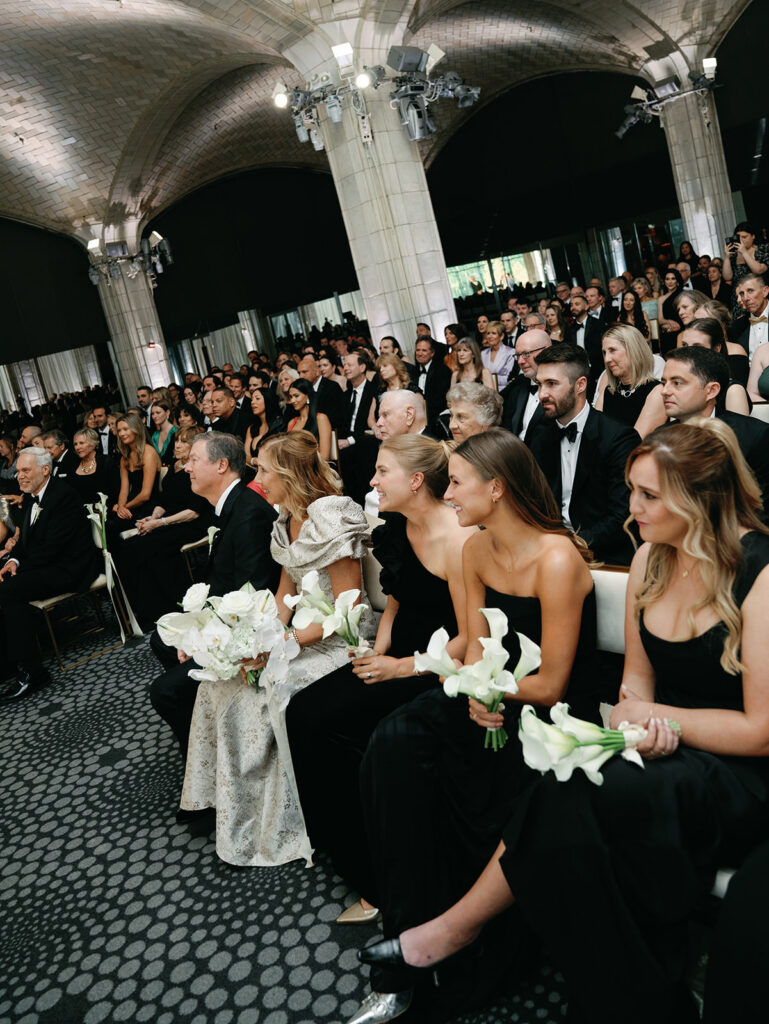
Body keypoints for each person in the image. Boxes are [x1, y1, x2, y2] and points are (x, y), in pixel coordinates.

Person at [361, 420, 769, 1024]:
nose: (631, 509)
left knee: (570, 795)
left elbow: (759, 730)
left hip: (738, 775)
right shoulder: (653, 562)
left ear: (700, 495)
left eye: (649, 495)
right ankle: (622, 994)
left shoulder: (759, 576)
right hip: (658, 749)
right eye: (632, 491)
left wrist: (653, 720)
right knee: (566, 804)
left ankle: (456, 931)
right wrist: (638, 724)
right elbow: (637, 684)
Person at [351, 428, 598, 1022]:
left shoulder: (557, 557)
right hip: (494, 693)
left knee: (477, 771)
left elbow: (556, 683)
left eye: (457, 482)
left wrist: (489, 692)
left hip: (551, 711)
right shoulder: (476, 550)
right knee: (395, 741)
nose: (449, 491)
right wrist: (472, 690)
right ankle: (409, 922)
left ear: (497, 487)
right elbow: (477, 651)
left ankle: (470, 939)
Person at [287, 435, 474, 925]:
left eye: (382, 471)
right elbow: (396, 597)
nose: (371, 481)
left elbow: (469, 637)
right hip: (396, 655)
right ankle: (348, 844)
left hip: (437, 667)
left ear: (416, 481)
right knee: (302, 711)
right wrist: (380, 647)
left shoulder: (458, 539)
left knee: (332, 726)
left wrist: (401, 666)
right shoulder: (397, 525)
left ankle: (380, 877)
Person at [180, 431, 376, 866]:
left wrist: (285, 645)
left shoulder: (330, 517)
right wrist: (256, 638)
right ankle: (235, 808)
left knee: (265, 691)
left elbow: (350, 610)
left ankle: (279, 817)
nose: (258, 477)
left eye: (264, 469)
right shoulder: (284, 519)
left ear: (287, 472)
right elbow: (285, 599)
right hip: (298, 636)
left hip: (338, 642)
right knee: (221, 682)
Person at [149, 432, 280, 761]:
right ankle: (207, 721)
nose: (186, 467)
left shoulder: (248, 514)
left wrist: (202, 638)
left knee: (163, 692)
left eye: (194, 460)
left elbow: (253, 595)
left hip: (252, 629)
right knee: (161, 639)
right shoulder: (228, 507)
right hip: (228, 612)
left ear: (221, 465)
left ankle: (205, 759)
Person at [0, 448, 100, 704]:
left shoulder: (63, 496)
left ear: (45, 470)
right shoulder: (33, 497)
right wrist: (13, 560)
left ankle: (33, 671)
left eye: (25, 470)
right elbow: (25, 541)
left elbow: (52, 548)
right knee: (4, 579)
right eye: (18, 471)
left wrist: (18, 569)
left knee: (10, 590)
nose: (19, 476)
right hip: (47, 564)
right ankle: (9, 664)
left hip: (70, 569)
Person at [529, 344, 638, 564]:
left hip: (605, 555)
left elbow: (624, 516)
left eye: (552, 384)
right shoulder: (541, 437)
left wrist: (573, 545)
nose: (542, 394)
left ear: (580, 385)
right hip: (551, 552)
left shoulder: (618, 438)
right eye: (539, 384)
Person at [118, 425, 212, 629]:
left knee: (149, 546)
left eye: (183, 441)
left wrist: (159, 523)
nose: (177, 445)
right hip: (171, 520)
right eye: (176, 440)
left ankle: (175, 605)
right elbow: (164, 500)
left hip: (194, 523)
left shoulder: (199, 469)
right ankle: (151, 610)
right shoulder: (175, 465)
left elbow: (193, 512)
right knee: (132, 546)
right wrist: (152, 518)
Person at [661, 346, 769, 511]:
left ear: (711, 390)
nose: (664, 391)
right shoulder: (659, 439)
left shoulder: (754, 437)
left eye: (677, 383)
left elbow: (763, 508)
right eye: (664, 383)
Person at [593, 323, 665, 436]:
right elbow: (592, 436)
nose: (607, 359)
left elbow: (635, 443)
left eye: (612, 350)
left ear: (633, 350)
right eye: (604, 352)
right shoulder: (607, 392)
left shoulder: (657, 392)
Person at [678, 320, 750, 413]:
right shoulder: (680, 387)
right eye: (685, 345)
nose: (688, 352)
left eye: (698, 347)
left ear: (716, 349)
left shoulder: (733, 391)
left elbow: (738, 427)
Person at [500, 329, 551, 442]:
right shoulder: (518, 385)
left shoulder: (562, 389)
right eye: (518, 355)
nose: (520, 361)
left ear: (546, 351)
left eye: (526, 354)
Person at [112, 411, 161, 524]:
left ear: (136, 429)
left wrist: (124, 508)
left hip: (149, 505)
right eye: (119, 430)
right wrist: (120, 507)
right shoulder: (124, 458)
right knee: (109, 520)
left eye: (125, 429)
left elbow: (145, 495)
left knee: (114, 524)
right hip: (131, 505)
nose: (121, 434)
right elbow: (124, 490)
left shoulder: (148, 452)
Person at [722, 221, 769, 315]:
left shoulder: (762, 249)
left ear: (753, 236)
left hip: (757, 295)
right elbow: (727, 277)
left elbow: (759, 270)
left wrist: (744, 252)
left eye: (744, 237)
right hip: (739, 298)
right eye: (739, 238)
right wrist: (727, 257)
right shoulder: (734, 254)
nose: (741, 240)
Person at [285, 378, 332, 459]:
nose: (292, 400)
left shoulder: (321, 418)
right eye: (291, 397)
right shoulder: (292, 422)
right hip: (292, 467)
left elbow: (325, 457)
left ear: (308, 396)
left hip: (314, 468)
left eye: (296, 396)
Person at [412, 338, 451, 430]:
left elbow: (441, 400)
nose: (420, 353)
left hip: (437, 422)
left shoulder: (442, 370)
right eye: (418, 350)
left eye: (424, 350)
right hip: (418, 421)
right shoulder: (413, 372)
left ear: (432, 353)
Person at [69, 427, 115, 507]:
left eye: (81, 443)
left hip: (104, 511)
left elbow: (115, 491)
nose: (77, 447)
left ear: (93, 444)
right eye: (75, 444)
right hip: (79, 513)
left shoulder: (106, 462)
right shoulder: (73, 465)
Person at [729, 272, 769, 360]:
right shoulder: (738, 326)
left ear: (765, 291)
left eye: (750, 291)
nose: (745, 298)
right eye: (742, 294)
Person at [244, 387, 281, 466]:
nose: (252, 402)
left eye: (257, 398)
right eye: (252, 399)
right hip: (253, 472)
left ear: (268, 400)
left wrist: (253, 461)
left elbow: (276, 458)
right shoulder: (252, 428)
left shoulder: (279, 425)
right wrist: (254, 461)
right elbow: (246, 457)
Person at [480, 321, 516, 390]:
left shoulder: (510, 352)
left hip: (504, 391)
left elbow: (508, 378)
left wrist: (487, 377)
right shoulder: (483, 353)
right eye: (488, 333)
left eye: (493, 333)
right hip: (486, 391)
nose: (490, 336)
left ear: (501, 336)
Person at [657, 268, 684, 354]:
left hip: (682, 331)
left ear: (677, 280)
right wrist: (670, 322)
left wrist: (677, 325)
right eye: (667, 279)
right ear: (664, 281)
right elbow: (660, 320)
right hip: (668, 333)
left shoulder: (683, 295)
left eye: (673, 279)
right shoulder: (661, 299)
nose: (670, 282)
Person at [150, 401, 177, 466]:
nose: (154, 416)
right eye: (152, 414)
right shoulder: (154, 435)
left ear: (167, 412)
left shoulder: (176, 432)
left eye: (158, 413)